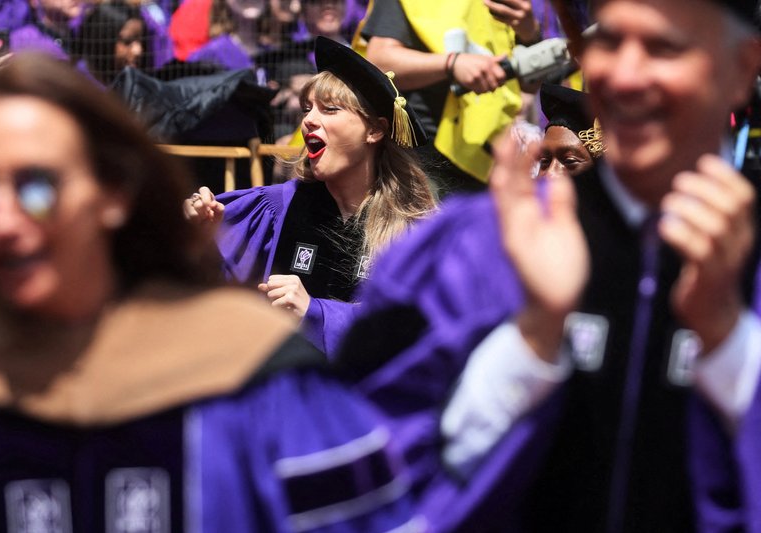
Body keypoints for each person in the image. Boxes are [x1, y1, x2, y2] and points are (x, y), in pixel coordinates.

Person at [334, 0, 761, 531]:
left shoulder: (751, 264)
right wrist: (532, 338)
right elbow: (373, 480)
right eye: (608, 41)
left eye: (663, 47)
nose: (623, 76)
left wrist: (730, 345)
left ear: (742, 68)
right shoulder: (476, 247)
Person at [0, 52, 420, 531]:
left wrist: (319, 312)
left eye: (37, 188)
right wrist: (210, 240)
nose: (1, 221)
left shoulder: (255, 383)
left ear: (114, 194)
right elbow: (219, 278)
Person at [185, 36, 435, 357]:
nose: (308, 120)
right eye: (307, 108)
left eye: (330, 109)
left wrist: (315, 312)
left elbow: (413, 333)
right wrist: (202, 239)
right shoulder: (275, 209)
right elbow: (221, 302)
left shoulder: (414, 229)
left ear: (375, 131)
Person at [360, 0, 541, 197]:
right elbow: (379, 61)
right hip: (427, 155)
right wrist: (452, 63)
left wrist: (529, 32)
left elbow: (530, 86)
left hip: (491, 151)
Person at [74, 0, 146, 86]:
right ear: (103, 38)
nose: (138, 50)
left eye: (140, 41)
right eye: (127, 41)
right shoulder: (81, 82)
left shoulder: (123, 82)